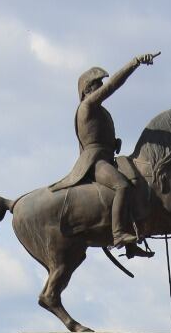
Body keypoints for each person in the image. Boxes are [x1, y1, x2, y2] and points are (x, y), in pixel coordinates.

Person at [51, 54, 159, 250]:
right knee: (122, 186)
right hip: (95, 162)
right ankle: (118, 234)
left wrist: (113, 142)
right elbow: (113, 87)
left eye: (101, 83)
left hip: (108, 158)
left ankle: (132, 235)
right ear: (87, 89)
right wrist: (134, 63)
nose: (101, 87)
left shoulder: (101, 111)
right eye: (97, 84)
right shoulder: (87, 106)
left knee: (138, 183)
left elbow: (97, 136)